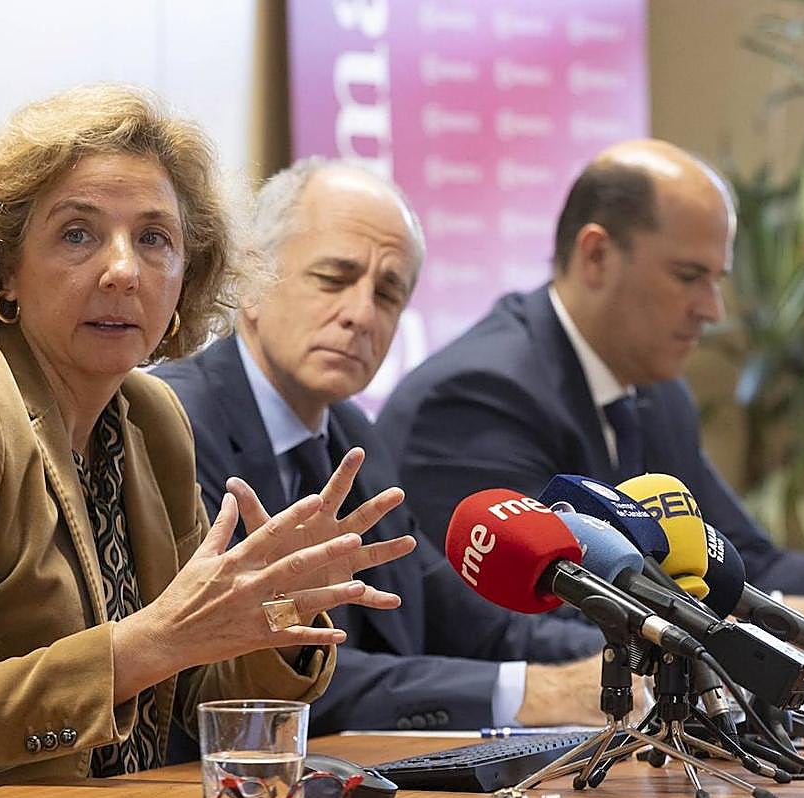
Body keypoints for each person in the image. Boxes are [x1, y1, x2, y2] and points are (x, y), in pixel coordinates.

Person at [0, 86, 415, 798]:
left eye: (154, 239)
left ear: (188, 277)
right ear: (6, 267)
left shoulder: (152, 420)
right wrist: (147, 643)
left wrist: (278, 613)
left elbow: (198, 689)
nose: (124, 270)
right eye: (77, 234)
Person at [377, 138, 804, 679]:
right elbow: (533, 624)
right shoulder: (477, 397)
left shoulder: (655, 391)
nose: (714, 310)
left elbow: (742, 564)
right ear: (596, 255)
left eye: (717, 280)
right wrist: (780, 626)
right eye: (690, 277)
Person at [154, 158, 608, 737]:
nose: (361, 315)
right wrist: (534, 692)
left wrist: (640, 650)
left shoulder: (351, 434)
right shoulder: (178, 424)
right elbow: (261, 670)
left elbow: (473, 624)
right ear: (252, 284)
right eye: (333, 278)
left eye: (388, 294)